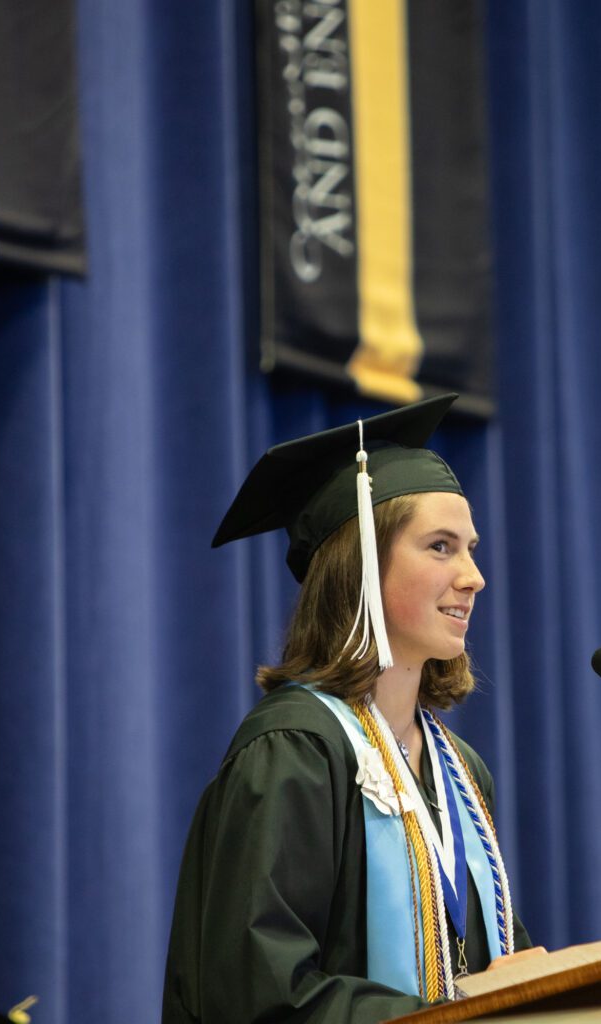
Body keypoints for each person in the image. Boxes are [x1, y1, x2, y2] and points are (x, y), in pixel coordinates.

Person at [162, 395, 532, 1024]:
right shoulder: (294, 751)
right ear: (360, 568)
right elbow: (259, 995)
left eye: (470, 548)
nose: (474, 576)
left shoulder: (459, 771)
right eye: (441, 547)